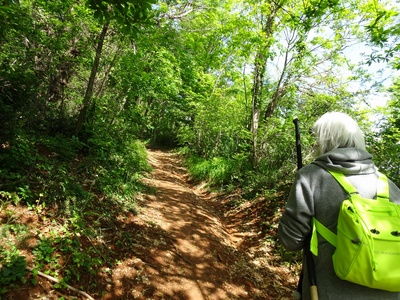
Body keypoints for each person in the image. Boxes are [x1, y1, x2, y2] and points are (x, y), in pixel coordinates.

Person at [278, 112, 400, 300]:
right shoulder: (389, 185)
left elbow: (290, 241)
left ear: (325, 139)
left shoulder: (311, 177)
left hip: (328, 291)